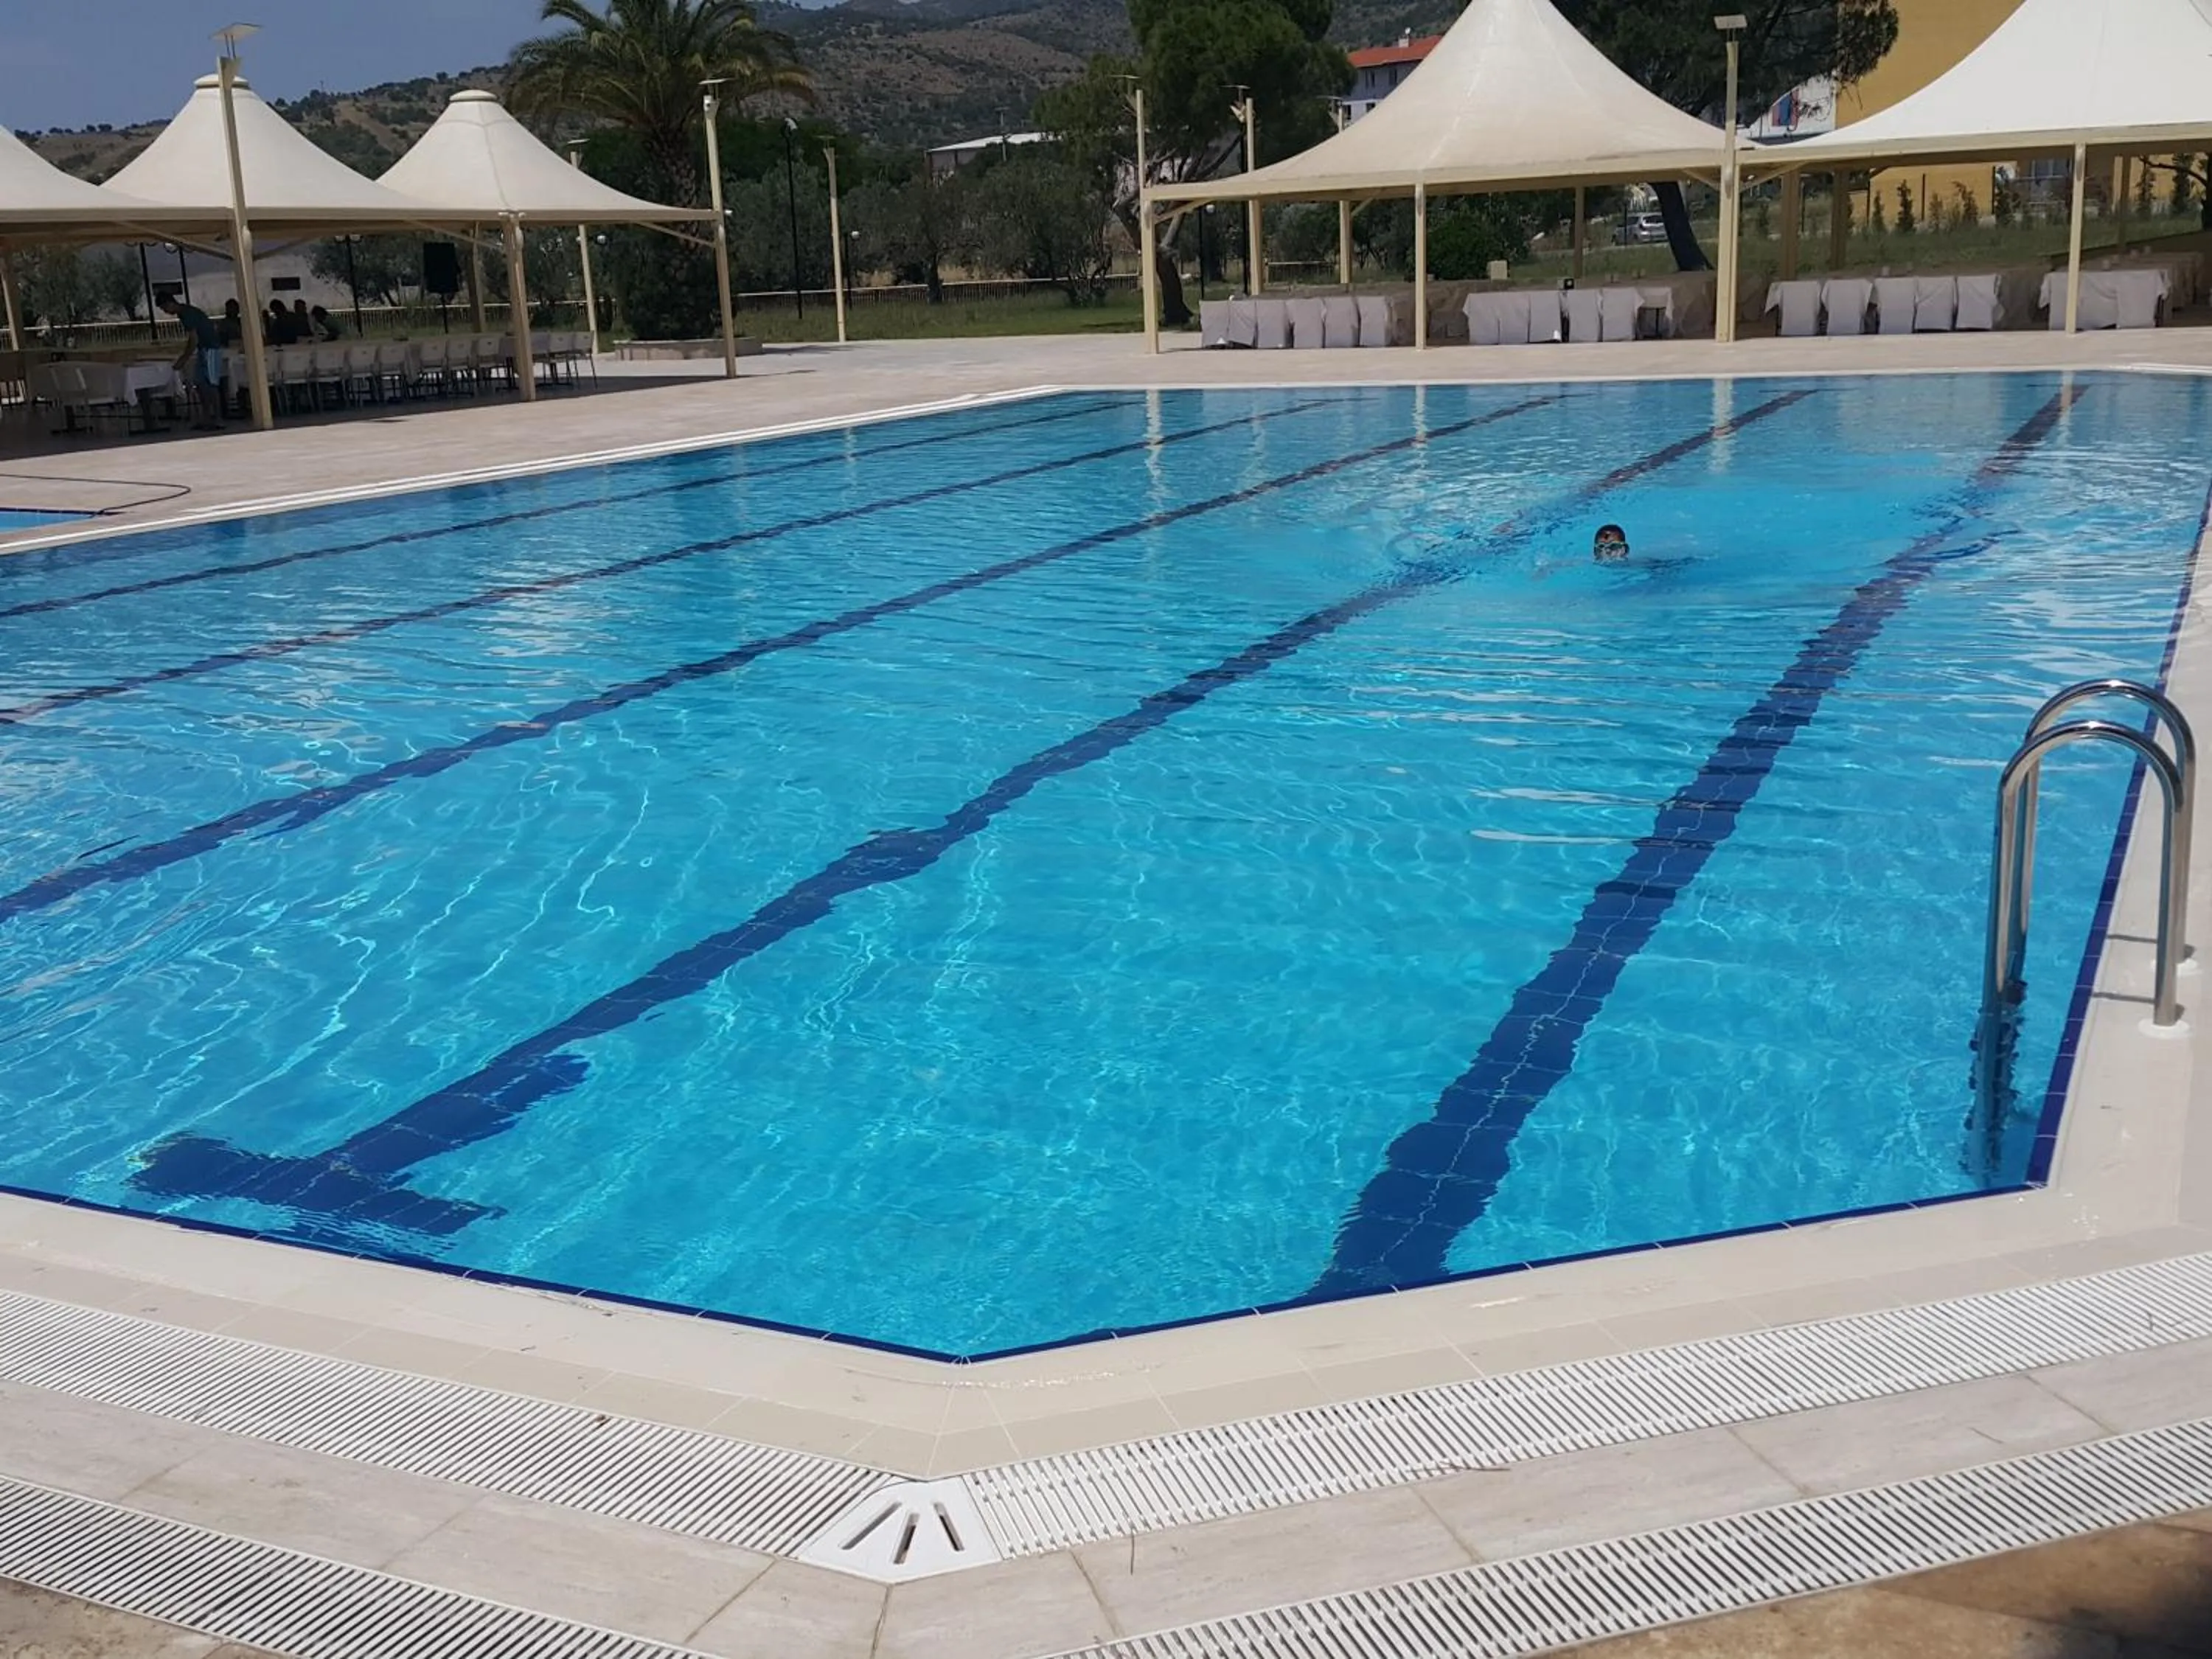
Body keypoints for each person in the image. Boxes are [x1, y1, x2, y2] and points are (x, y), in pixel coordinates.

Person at [156, 292, 223, 430]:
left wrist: (184, 358)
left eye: (165, 309)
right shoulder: (185, 313)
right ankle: (207, 417)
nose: (166, 312)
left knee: (211, 384)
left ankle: (218, 417)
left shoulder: (187, 315)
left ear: (170, 303)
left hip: (210, 348)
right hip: (204, 349)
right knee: (200, 384)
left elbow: (194, 339)